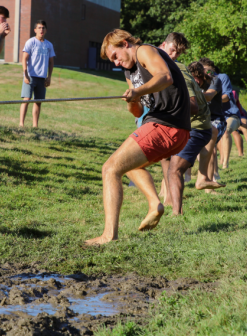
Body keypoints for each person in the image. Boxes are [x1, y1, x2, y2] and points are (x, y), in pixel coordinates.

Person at [85, 29, 191, 245]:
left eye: (115, 56)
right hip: (167, 127)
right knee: (125, 164)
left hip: (167, 125)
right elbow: (136, 111)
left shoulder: (144, 51)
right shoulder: (129, 72)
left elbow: (165, 77)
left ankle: (109, 235)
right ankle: (155, 204)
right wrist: (132, 100)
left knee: (110, 169)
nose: (115, 62)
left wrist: (139, 91)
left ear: (125, 44)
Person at [157, 33, 224, 215]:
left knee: (175, 169)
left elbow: (193, 107)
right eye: (172, 51)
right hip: (184, 126)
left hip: (195, 127)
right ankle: (170, 201)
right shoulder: (161, 66)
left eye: (178, 53)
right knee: (168, 161)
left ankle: (177, 213)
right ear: (163, 45)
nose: (174, 56)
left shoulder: (178, 70)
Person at [200, 58, 241, 169]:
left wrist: (210, 98)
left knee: (225, 131)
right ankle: (213, 167)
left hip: (230, 114)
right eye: (202, 70)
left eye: (206, 70)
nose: (205, 73)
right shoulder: (201, 81)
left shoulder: (222, 77)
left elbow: (226, 97)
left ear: (212, 68)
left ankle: (225, 164)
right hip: (214, 116)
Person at [19, 20, 56, 128]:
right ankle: (21, 124)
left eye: (43, 28)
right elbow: (24, 59)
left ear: (46, 30)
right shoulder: (31, 42)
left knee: (38, 102)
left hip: (42, 77)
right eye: (39, 28)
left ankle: (35, 125)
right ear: (35, 30)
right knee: (26, 99)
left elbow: (51, 62)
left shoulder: (49, 45)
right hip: (30, 76)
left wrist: (49, 77)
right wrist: (25, 75)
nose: (41, 30)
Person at [198, 58, 226, 185]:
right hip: (201, 119)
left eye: (211, 71)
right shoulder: (194, 82)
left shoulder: (215, 81)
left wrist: (189, 94)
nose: (208, 74)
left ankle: (209, 182)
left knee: (210, 147)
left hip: (216, 119)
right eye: (205, 71)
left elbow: (209, 96)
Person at [230, 90, 247, 159]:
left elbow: (232, 104)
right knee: (234, 131)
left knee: (244, 125)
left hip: (239, 114)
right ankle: (240, 154)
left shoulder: (233, 92)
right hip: (228, 116)